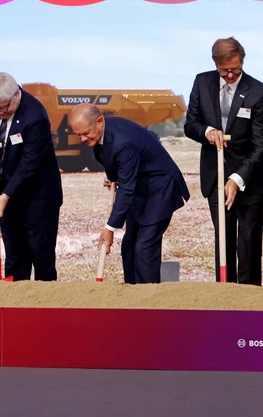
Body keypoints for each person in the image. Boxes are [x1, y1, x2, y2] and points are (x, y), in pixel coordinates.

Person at [69, 104, 190, 284]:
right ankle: (132, 296)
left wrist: (109, 228)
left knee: (144, 248)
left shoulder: (123, 141)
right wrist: (114, 176)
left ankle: (149, 299)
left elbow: (126, 189)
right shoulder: (102, 133)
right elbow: (117, 164)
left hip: (160, 189)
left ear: (100, 122)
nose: (82, 138)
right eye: (78, 134)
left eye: (85, 133)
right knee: (129, 246)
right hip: (140, 188)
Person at [184, 37, 263, 284]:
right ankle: (224, 297)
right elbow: (190, 125)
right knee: (223, 240)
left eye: (235, 70)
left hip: (250, 178)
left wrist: (237, 178)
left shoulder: (258, 92)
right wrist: (207, 132)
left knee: (248, 242)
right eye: (225, 72)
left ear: (242, 62)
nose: (230, 76)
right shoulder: (202, 83)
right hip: (215, 177)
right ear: (216, 64)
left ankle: (249, 300)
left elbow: (260, 145)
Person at [0, 73, 62, 281]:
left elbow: (29, 164)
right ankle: (15, 305)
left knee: (40, 254)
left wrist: (7, 194)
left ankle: (45, 304)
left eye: (4, 108)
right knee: (14, 255)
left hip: (38, 197)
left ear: (16, 95)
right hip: (6, 194)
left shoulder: (35, 116)